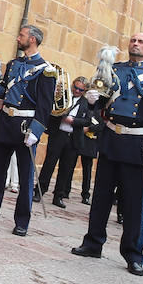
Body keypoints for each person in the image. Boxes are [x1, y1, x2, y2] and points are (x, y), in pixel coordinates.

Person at [72, 33, 143, 275]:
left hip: (137, 144)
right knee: (101, 197)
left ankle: (133, 254)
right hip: (111, 138)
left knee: (133, 203)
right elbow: (102, 102)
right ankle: (93, 242)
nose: (136, 44)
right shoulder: (113, 70)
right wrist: (93, 101)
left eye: (141, 42)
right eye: (133, 41)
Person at [0, 25, 58, 236]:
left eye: (22, 35)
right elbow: (5, 89)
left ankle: (22, 221)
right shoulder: (14, 64)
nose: (18, 38)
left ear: (32, 39)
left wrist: (36, 130)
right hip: (6, 122)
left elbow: (45, 105)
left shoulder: (46, 70)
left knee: (25, 178)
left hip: (26, 127)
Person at [38, 76, 96, 207]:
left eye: (81, 90)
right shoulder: (65, 97)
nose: (77, 91)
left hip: (73, 138)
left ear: (85, 91)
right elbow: (53, 110)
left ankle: (58, 195)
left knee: (66, 169)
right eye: (75, 87)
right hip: (59, 134)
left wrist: (73, 121)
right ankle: (39, 191)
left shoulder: (86, 103)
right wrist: (62, 115)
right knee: (49, 164)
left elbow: (88, 121)